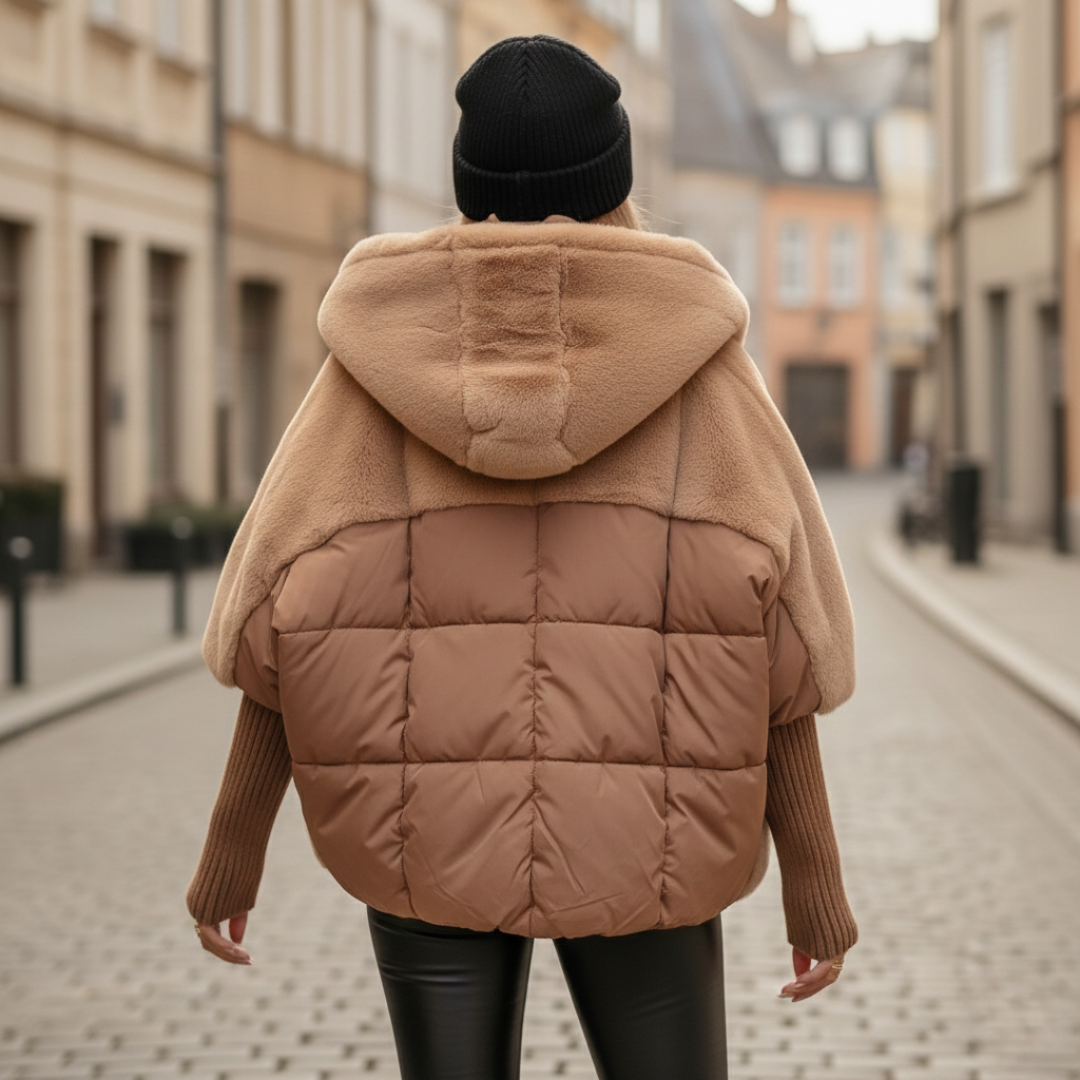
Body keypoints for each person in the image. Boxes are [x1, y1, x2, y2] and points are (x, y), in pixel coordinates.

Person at [188, 35, 858, 1080]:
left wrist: (234, 844)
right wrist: (812, 876)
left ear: (468, 180)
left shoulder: (367, 366)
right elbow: (789, 646)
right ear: (615, 178)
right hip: (654, 844)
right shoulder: (701, 363)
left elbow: (275, 614)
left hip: (424, 841)